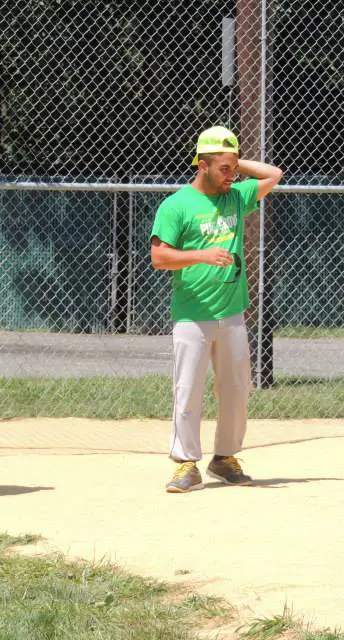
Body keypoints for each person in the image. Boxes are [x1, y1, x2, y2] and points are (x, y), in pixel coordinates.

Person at [150, 126, 283, 493]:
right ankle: (186, 464)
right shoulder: (177, 205)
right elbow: (159, 257)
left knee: (237, 388)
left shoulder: (236, 197)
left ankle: (224, 458)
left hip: (232, 313)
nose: (232, 175)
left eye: (234, 167)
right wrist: (201, 255)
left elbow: (274, 174)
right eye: (223, 168)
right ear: (202, 164)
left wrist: (237, 161)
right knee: (188, 388)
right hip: (193, 313)